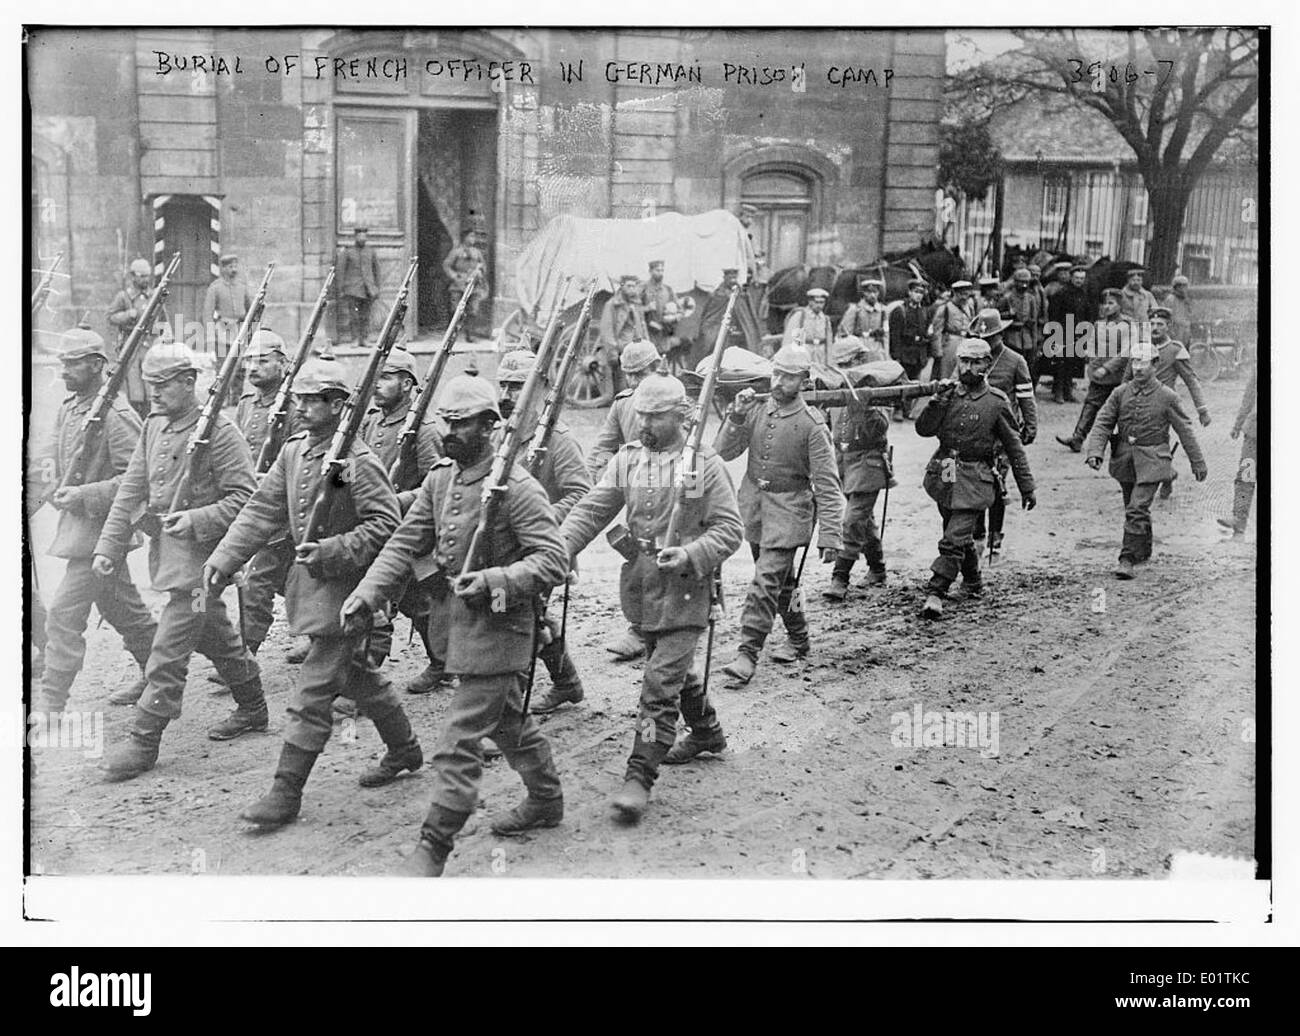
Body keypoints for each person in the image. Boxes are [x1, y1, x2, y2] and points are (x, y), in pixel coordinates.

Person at [345, 374, 568, 877]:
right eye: (445, 421)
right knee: (508, 722)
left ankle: (433, 847)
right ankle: (547, 798)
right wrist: (368, 593)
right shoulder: (441, 478)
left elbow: (554, 560)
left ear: (490, 426)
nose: (449, 432)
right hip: (458, 624)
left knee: (459, 739)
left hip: (503, 627)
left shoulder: (518, 487)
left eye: (462, 423)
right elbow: (405, 541)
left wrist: (497, 578)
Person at [203, 358, 421, 827]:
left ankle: (285, 792)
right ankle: (405, 749)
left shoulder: (355, 463)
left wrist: (333, 550)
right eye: (299, 398)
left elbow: (387, 525)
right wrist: (224, 559)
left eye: (313, 400)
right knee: (359, 676)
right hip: (315, 591)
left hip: (350, 593)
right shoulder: (295, 451)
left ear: (339, 405)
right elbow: (262, 512)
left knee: (313, 692)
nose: (301, 408)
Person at [560, 374, 743, 820]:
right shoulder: (628, 460)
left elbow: (730, 529)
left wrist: (692, 553)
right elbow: (592, 509)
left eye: (655, 416)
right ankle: (706, 731)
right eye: (640, 415)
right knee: (671, 670)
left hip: (686, 591)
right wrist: (557, 550)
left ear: (681, 416)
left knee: (658, 687)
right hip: (642, 588)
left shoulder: (703, 463)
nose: (644, 424)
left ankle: (639, 776)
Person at [93, 342, 266, 780]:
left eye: (163, 385)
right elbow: (130, 490)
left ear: (190, 383)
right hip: (170, 559)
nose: (153, 394)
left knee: (169, 647)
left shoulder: (221, 432)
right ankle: (253, 707)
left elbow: (247, 500)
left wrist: (195, 518)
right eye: (149, 384)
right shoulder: (155, 425)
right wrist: (107, 548)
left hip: (206, 566)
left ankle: (144, 739)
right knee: (215, 635)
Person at [30, 326, 157, 716]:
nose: (64, 370)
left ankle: (51, 705)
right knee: (125, 612)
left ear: (98, 365)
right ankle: (161, 674)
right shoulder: (72, 408)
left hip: (104, 535)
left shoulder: (117, 416)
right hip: (80, 534)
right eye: (62, 362)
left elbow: (140, 480)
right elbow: (51, 462)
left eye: (72, 363)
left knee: (64, 618)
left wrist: (84, 495)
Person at [714, 343, 845, 683]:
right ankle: (800, 638)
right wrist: (737, 416)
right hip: (755, 507)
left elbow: (828, 485)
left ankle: (747, 651)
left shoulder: (813, 426)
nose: (779, 382)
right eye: (776, 373)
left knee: (765, 581)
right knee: (784, 582)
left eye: (788, 377)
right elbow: (722, 453)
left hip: (790, 512)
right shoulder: (756, 409)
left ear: (804, 380)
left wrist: (830, 535)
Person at [493, 349, 593, 714]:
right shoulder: (498, 434)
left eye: (517, 386)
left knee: (514, 623)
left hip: (542, 549)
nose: (506, 394)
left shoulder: (558, 439)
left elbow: (582, 492)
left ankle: (504, 713)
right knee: (527, 616)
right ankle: (567, 683)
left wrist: (538, 519)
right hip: (504, 549)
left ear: (541, 389)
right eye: (502, 385)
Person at [915, 338, 1035, 618]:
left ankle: (936, 591)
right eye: (963, 361)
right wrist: (935, 403)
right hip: (946, 466)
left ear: (987, 364)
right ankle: (973, 580)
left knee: (954, 536)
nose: (967, 368)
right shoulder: (948, 394)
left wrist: (1027, 487)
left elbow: (1014, 446)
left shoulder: (996, 402)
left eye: (975, 362)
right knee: (954, 529)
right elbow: (923, 430)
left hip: (976, 472)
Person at [358, 347, 445, 695]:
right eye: (375, 377)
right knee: (415, 602)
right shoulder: (371, 421)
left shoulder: (423, 429)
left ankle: (363, 685)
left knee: (384, 605)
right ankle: (442, 660)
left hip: (408, 531)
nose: (376, 385)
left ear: (407, 384)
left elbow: (436, 485)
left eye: (386, 378)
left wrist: (397, 502)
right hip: (374, 529)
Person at [1085, 341, 1207, 578]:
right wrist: (1095, 452)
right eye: (1135, 362)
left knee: (1137, 507)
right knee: (1133, 506)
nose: (1138, 368)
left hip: (1154, 460)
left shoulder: (1167, 396)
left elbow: (1185, 430)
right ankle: (1143, 549)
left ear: (1154, 364)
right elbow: (1103, 422)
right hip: (1124, 459)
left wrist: (1198, 462)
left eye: (1143, 362)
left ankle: (1127, 558)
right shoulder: (1120, 393)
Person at [225, 329, 301, 670]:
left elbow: (300, 461)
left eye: (263, 360)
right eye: (249, 360)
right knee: (286, 578)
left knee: (258, 578)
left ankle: (244, 657)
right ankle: (320, 633)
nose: (253, 367)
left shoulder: (295, 408)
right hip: (251, 506)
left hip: (282, 509)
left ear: (283, 364)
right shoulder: (246, 404)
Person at [586, 339, 665, 662]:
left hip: (669, 487)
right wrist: (608, 475)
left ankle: (666, 627)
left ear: (656, 368)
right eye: (628, 376)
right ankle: (638, 628)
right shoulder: (623, 404)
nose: (633, 382)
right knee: (635, 561)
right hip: (637, 489)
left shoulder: (676, 400)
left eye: (640, 374)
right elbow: (602, 447)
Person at [823, 338, 892, 600]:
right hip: (844, 464)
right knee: (864, 520)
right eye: (840, 364)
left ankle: (840, 577)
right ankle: (877, 568)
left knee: (851, 522)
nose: (844, 369)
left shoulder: (875, 386)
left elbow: (881, 426)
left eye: (849, 363)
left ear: (860, 361)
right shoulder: (836, 388)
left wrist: (862, 407)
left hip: (869, 463)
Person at [1121, 306, 1212, 500]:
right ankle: (1164, 474)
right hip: (1139, 402)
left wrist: (1202, 409)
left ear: (1168, 326)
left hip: (1164, 405)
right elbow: (1127, 378)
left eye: (1160, 324)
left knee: (1161, 442)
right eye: (1152, 324)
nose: (1155, 328)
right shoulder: (1141, 348)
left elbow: (1191, 381)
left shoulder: (1175, 350)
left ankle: (1167, 475)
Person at [968, 309, 1037, 558]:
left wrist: (1030, 425)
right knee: (973, 483)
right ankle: (977, 534)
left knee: (997, 485)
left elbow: (1026, 397)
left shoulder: (1015, 361)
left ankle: (995, 538)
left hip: (1003, 433)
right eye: (982, 338)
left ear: (1001, 335)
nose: (986, 343)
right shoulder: (970, 358)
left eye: (992, 337)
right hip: (975, 432)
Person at [1055, 288, 1133, 451]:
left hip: (1118, 376)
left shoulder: (1126, 326)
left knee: (1120, 410)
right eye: (1104, 303)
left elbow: (1125, 352)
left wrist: (1106, 368)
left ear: (1119, 305)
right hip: (1099, 375)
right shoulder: (1099, 324)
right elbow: (1091, 345)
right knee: (1090, 405)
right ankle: (1077, 439)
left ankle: (1123, 442)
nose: (1106, 307)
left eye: (1111, 303)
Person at [107, 258, 169, 418]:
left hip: (151, 347)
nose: (145, 280)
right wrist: (128, 315)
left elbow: (163, 318)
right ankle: (135, 418)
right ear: (133, 276)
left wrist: (166, 337)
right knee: (134, 388)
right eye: (141, 276)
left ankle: (149, 418)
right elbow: (111, 317)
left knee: (150, 385)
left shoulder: (154, 295)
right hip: (132, 346)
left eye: (147, 276)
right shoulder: (124, 296)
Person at [203, 253, 253, 396]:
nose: (234, 270)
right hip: (222, 331)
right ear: (223, 269)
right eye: (230, 267)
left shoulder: (242, 287)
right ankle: (222, 397)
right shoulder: (215, 288)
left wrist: (251, 331)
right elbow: (207, 314)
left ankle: (237, 397)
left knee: (240, 366)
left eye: (235, 266)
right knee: (223, 366)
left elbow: (251, 310)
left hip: (239, 330)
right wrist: (211, 337)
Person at [1219, 362, 1258, 536]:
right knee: (1245, 475)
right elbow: (1249, 397)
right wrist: (1238, 425)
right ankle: (1239, 520)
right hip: (1254, 432)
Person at [1045, 264, 1091, 403]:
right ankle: (1058, 392)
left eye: (1082, 278)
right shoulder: (1062, 293)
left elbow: (1088, 313)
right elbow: (1053, 314)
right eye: (1076, 278)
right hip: (1063, 332)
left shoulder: (1083, 294)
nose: (1079, 281)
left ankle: (1068, 391)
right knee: (1060, 363)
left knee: (1072, 363)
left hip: (1078, 332)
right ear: (1071, 278)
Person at [888, 278, 931, 420]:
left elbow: (927, 333)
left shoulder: (924, 312)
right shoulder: (900, 311)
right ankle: (898, 409)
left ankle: (908, 409)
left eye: (921, 292)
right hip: (905, 352)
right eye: (916, 292)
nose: (919, 295)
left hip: (918, 353)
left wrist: (926, 353)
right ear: (909, 292)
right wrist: (896, 354)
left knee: (914, 382)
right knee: (901, 381)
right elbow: (895, 335)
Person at [441, 228, 488, 340]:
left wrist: (479, 272)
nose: (473, 239)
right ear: (464, 238)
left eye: (474, 237)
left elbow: (483, 266)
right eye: (471, 236)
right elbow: (446, 265)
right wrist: (455, 276)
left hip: (473, 285)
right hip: (459, 284)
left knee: (473, 310)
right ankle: (451, 334)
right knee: (455, 309)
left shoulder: (477, 253)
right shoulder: (456, 252)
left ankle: (469, 334)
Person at [999, 267, 1044, 385]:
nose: (1024, 285)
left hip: (1027, 337)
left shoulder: (1030, 299)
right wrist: (1008, 314)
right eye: (1021, 282)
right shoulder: (1007, 298)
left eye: (1026, 282)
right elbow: (997, 316)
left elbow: (1033, 321)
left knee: (1027, 366)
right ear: (1015, 282)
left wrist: (1034, 342)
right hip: (1011, 336)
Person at [339, 227, 382, 346]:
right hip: (353, 290)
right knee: (354, 316)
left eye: (364, 236)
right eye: (360, 236)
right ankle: (355, 339)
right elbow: (341, 272)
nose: (362, 238)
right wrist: (342, 289)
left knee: (366, 316)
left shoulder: (371, 252)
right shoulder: (348, 252)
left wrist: (377, 288)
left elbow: (376, 271)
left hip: (368, 289)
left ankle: (365, 338)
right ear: (355, 237)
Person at [597, 274, 650, 364]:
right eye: (628, 286)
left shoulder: (636, 305)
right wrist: (613, 352)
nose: (632, 289)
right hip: (620, 351)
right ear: (622, 287)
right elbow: (607, 331)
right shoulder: (612, 305)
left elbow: (642, 326)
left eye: (633, 286)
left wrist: (647, 345)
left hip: (636, 350)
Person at [929, 279, 976, 381]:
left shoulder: (970, 308)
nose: (964, 298)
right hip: (950, 343)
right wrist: (938, 352)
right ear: (955, 293)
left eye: (966, 295)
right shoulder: (945, 308)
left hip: (965, 343)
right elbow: (936, 331)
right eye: (961, 294)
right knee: (946, 374)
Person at [782, 287, 833, 364]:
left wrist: (829, 361)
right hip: (805, 352)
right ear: (810, 302)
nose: (819, 305)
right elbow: (790, 339)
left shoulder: (825, 319)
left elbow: (829, 343)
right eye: (816, 302)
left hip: (820, 355)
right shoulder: (800, 316)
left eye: (822, 302)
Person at [838, 279, 890, 348]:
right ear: (863, 293)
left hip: (877, 349)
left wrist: (886, 353)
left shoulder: (883, 310)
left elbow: (886, 334)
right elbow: (846, 333)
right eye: (869, 292)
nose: (872, 295)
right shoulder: (855, 309)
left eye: (875, 292)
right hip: (859, 347)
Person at [640, 260, 677, 352]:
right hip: (647, 333)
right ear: (650, 271)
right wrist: (647, 308)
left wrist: (673, 317)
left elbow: (680, 310)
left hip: (663, 334)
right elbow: (631, 309)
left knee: (662, 359)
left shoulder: (668, 290)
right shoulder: (642, 288)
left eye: (662, 270)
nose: (660, 273)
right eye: (657, 270)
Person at [1161, 275, 1193, 346]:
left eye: (1185, 286)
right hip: (1174, 331)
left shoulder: (1186, 300)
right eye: (1180, 286)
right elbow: (1166, 316)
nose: (1182, 288)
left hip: (1185, 331)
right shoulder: (1170, 299)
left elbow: (1189, 315)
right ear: (1176, 287)